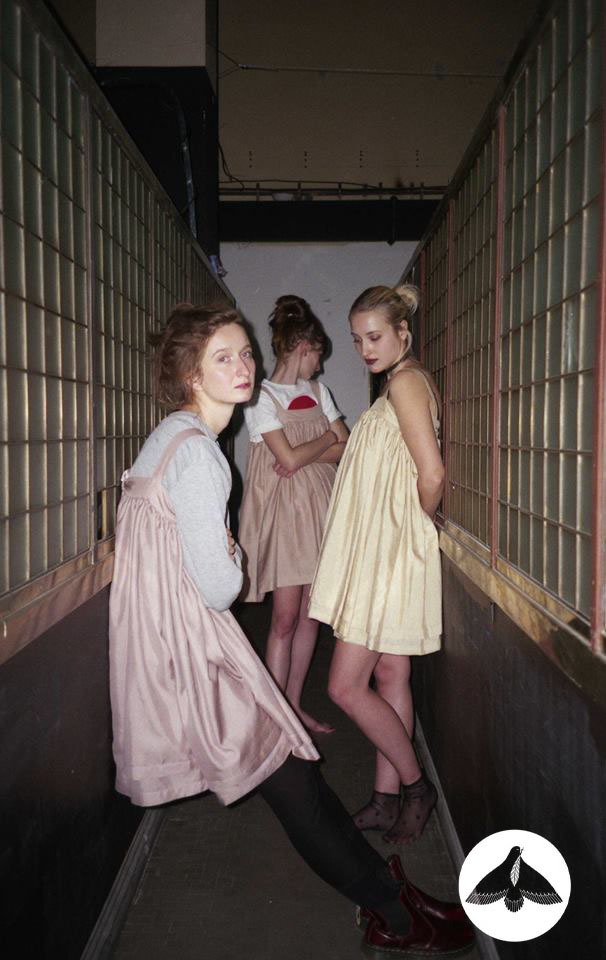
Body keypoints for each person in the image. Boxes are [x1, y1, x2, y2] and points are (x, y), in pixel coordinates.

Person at [108, 302, 472, 956]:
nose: (243, 366)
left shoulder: (172, 437)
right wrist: (230, 554)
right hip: (194, 647)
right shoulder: (201, 457)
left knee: (298, 781)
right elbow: (222, 588)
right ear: (191, 374)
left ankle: (392, 896)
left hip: (169, 638)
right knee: (297, 787)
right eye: (224, 358)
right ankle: (395, 912)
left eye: (245, 352)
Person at [308, 284, 445, 845]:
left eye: (374, 337)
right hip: (384, 552)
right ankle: (386, 800)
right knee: (390, 676)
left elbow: (431, 474)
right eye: (357, 339)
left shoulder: (407, 384)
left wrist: (415, 525)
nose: (365, 349)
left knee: (344, 686)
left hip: (390, 556)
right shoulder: (397, 383)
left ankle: (415, 787)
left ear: (402, 333)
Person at [239, 295, 348, 734]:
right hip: (284, 516)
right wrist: (325, 440)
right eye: (317, 356)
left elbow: (346, 447)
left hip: (320, 509)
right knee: (284, 618)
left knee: (310, 615)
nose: (319, 367)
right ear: (304, 348)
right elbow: (287, 456)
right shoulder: (260, 398)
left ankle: (295, 706)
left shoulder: (320, 393)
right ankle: (275, 714)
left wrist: (310, 451)